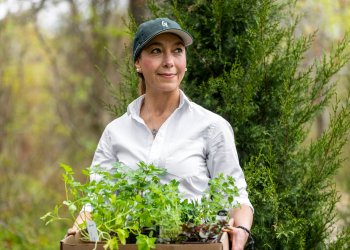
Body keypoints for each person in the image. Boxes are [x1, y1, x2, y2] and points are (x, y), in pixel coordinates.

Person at [68, 17, 254, 250]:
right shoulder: (115, 132)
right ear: (138, 62)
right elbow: (96, 201)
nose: (169, 62)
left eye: (177, 51)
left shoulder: (212, 127)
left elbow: (235, 196)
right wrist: (79, 231)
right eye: (156, 51)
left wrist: (242, 231)